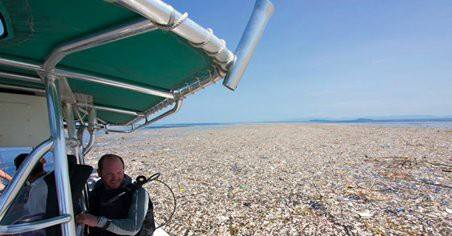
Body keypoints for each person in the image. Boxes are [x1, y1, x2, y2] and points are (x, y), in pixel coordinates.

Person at [77, 154, 154, 236]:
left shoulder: (138, 193)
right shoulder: (98, 188)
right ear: (99, 173)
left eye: (119, 172)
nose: (115, 177)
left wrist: (98, 221)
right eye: (109, 174)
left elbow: (133, 228)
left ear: (123, 170)